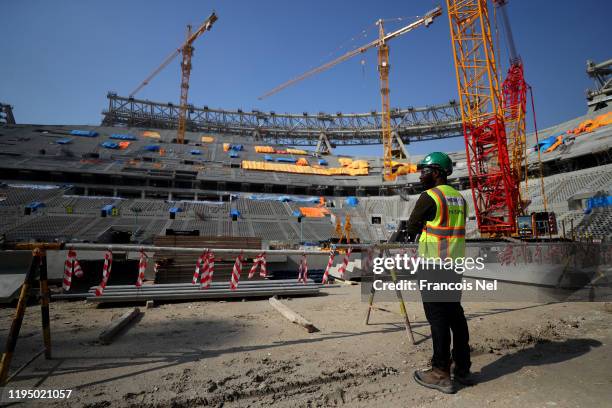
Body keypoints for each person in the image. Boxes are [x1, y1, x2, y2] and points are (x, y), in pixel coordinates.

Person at [398, 152, 475, 393]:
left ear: (438, 172)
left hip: (433, 266)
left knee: (438, 319)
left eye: (426, 170)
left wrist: (421, 227)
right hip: (454, 265)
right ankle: (462, 369)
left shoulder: (429, 196)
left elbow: (411, 227)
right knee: (456, 316)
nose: (421, 175)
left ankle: (441, 372)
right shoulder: (459, 198)